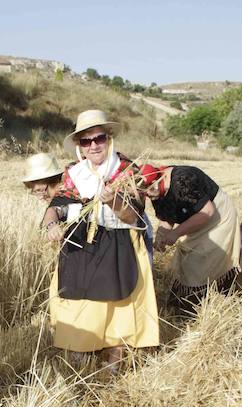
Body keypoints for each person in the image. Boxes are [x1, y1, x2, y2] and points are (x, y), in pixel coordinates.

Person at [40, 110, 159, 370]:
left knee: (118, 302)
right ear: (79, 145)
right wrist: (51, 224)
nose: (93, 145)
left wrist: (113, 201)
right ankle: (80, 352)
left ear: (109, 138)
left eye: (99, 138)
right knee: (78, 299)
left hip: (120, 244)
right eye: (86, 140)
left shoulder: (127, 171)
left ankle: (114, 360)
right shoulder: (73, 173)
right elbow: (55, 207)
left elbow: (133, 217)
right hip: (81, 244)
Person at [149, 165, 240, 312]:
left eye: (148, 191)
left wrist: (176, 233)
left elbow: (207, 211)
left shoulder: (182, 180)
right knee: (185, 260)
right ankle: (181, 305)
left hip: (217, 219)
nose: (148, 196)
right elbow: (166, 216)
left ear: (159, 180)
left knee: (201, 262)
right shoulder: (153, 189)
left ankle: (198, 305)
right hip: (196, 218)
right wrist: (161, 236)